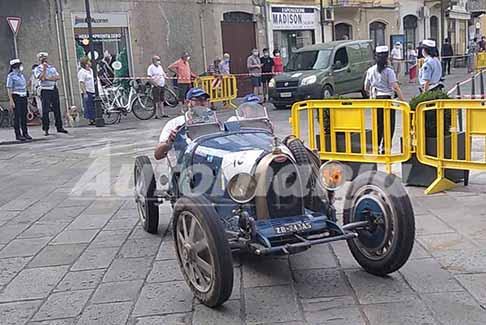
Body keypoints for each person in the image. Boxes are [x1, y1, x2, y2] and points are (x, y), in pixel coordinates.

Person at [364, 46, 404, 152]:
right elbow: (395, 86)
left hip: (376, 99)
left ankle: (376, 147)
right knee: (389, 125)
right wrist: (403, 101)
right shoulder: (389, 71)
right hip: (388, 99)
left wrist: (371, 94)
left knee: (378, 124)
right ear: (387, 57)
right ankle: (386, 148)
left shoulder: (370, 70)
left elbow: (366, 87)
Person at [154, 88, 210, 160]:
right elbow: (157, 155)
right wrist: (169, 141)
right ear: (187, 102)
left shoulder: (213, 123)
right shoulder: (174, 123)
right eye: (198, 100)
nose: (203, 103)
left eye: (205, 100)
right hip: (180, 166)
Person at [34, 52, 68, 136]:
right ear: (39, 60)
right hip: (45, 90)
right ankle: (46, 128)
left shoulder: (52, 68)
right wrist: (44, 70)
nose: (44, 59)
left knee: (57, 108)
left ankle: (59, 127)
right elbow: (41, 78)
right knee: (45, 110)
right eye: (42, 58)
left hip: (53, 89)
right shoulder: (38, 69)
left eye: (45, 58)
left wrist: (48, 78)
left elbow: (57, 77)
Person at [6, 59, 32, 141]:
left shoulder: (21, 75)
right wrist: (11, 100)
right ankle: (18, 134)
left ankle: (25, 133)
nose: (20, 67)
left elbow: (24, 86)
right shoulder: (11, 76)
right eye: (19, 65)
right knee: (17, 116)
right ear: (15, 66)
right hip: (16, 96)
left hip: (23, 96)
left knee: (24, 114)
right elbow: (9, 88)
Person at [77, 57, 97, 125]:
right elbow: (81, 82)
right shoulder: (82, 72)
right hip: (88, 91)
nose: (90, 63)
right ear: (86, 63)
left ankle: (95, 117)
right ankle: (91, 119)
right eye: (89, 61)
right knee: (89, 106)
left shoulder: (91, 70)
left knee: (95, 105)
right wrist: (84, 92)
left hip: (94, 90)